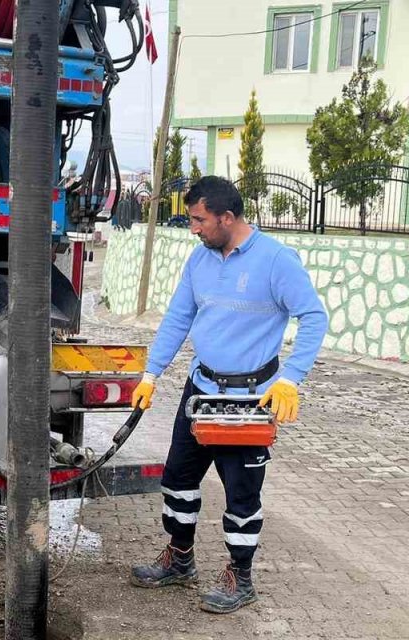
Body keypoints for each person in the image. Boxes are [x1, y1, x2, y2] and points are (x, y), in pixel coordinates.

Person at [128, 176, 328, 614]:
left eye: (199, 219)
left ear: (227, 217)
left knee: (241, 494)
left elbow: (314, 317)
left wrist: (290, 379)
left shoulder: (276, 261)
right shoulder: (199, 262)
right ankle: (180, 559)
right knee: (178, 482)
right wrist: (151, 374)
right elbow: (178, 318)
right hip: (199, 390)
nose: (193, 228)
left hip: (251, 401)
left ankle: (241, 576)